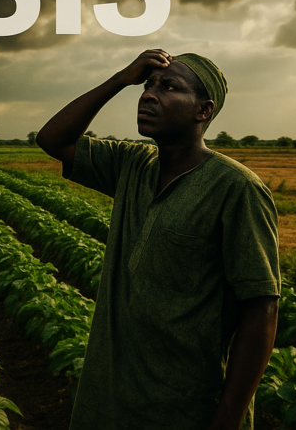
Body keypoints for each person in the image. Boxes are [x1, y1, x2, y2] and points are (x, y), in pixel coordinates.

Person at [36, 48, 280, 430]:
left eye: (169, 87)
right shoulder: (131, 164)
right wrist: (121, 78)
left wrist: (228, 417)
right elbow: (52, 138)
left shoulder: (236, 188)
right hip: (107, 400)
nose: (149, 94)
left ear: (203, 111)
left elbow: (260, 309)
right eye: (147, 85)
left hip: (182, 407)